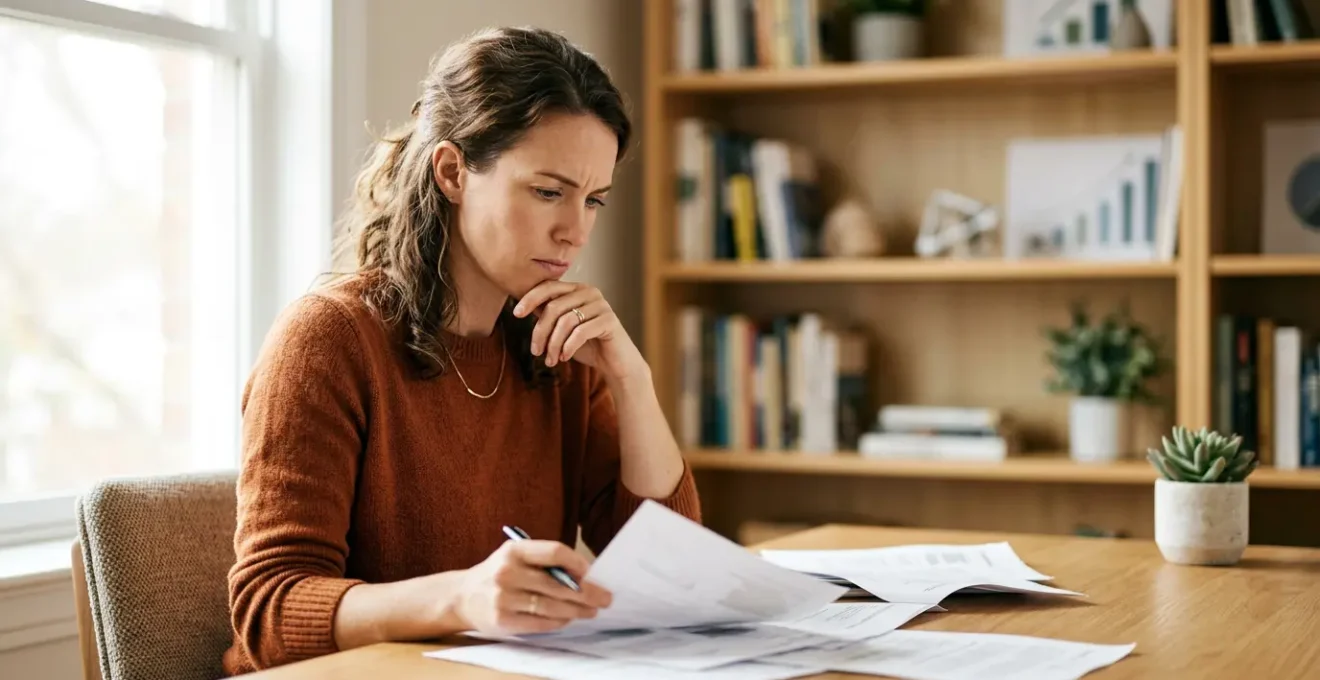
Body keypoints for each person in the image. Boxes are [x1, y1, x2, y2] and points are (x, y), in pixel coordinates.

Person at [221, 26, 701, 676]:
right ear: (452, 172)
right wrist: (464, 597)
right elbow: (269, 615)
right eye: (548, 191)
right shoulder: (328, 341)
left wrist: (631, 379)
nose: (575, 230)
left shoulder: (558, 353)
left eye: (593, 200)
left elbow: (671, 573)